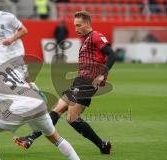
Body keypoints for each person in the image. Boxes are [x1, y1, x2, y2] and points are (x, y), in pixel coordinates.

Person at [15, 11, 117, 155]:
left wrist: (102, 74)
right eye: (74, 25)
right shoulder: (86, 39)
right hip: (80, 80)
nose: (76, 29)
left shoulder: (96, 36)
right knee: (56, 110)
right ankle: (30, 138)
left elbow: (112, 54)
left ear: (87, 24)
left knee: (72, 118)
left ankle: (101, 144)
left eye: (79, 25)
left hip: (88, 82)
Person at [0, 44, 80, 160]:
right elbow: (29, 83)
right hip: (37, 103)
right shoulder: (7, 65)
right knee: (55, 138)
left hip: (18, 108)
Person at [0, 0, 27, 64]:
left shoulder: (8, 17)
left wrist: (11, 39)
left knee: (19, 74)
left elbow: (24, 30)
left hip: (15, 52)